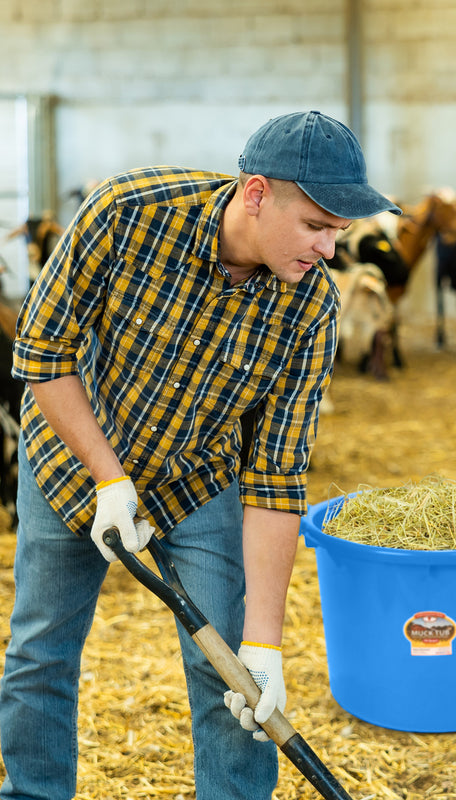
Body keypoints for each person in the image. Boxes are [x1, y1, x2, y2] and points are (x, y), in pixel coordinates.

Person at [0, 110, 400, 799]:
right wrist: (110, 480)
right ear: (255, 193)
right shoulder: (127, 214)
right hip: (72, 457)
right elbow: (41, 353)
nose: (329, 250)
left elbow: (276, 478)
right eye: (315, 226)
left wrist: (267, 649)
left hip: (196, 476)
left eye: (338, 231)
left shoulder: (312, 310)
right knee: (40, 651)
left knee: (233, 680)